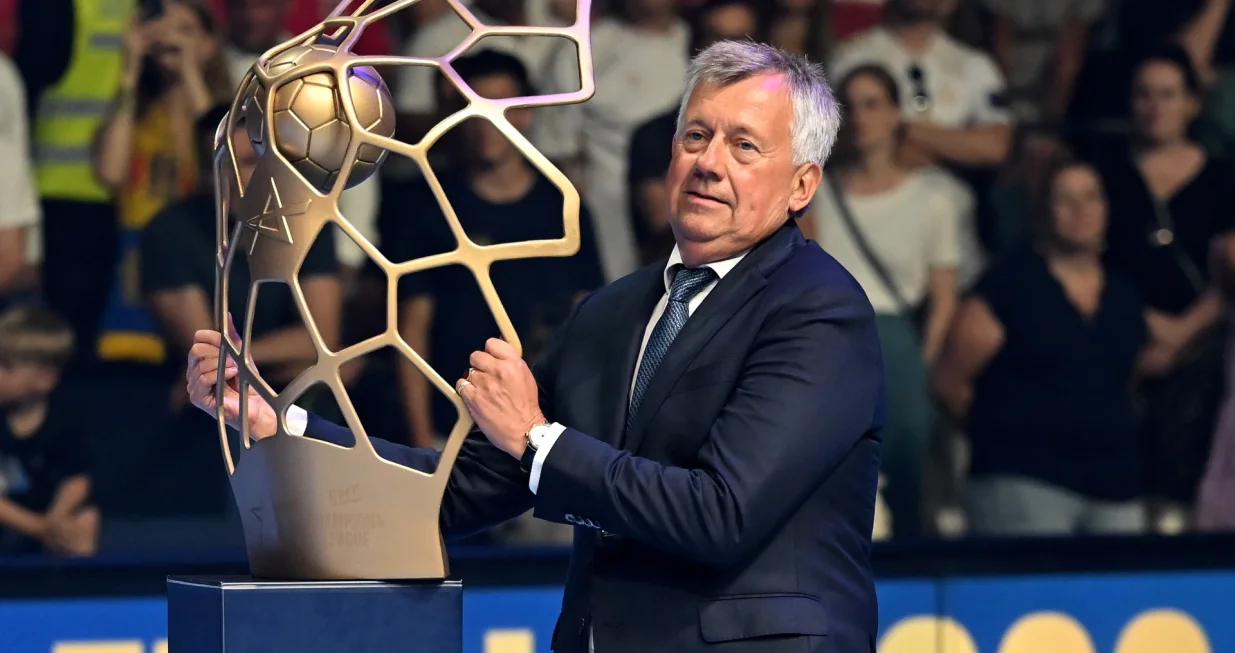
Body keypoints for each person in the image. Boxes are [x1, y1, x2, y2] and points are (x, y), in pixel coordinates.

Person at [187, 40, 883, 652]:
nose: (707, 163)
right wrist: (284, 424)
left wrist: (536, 437)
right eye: (695, 135)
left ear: (801, 184)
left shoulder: (818, 311)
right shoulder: (614, 310)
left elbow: (719, 514)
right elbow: (459, 489)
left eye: (743, 145)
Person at [379, 50, 604, 450]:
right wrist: (422, 443)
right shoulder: (429, 206)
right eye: (474, 109)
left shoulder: (562, 205)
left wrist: (581, 433)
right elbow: (410, 332)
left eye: (502, 107)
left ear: (526, 114)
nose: (488, 125)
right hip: (454, 432)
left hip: (544, 432)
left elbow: (586, 319)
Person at [934, 158, 1148, 536]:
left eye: (1091, 197)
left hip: (1115, 486)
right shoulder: (1008, 287)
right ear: (1044, 210)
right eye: (1065, 199)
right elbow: (950, 382)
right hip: (1024, 480)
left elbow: (1124, 381)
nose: (1080, 210)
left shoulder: (1124, 296)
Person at [809, 64, 968, 538]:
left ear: (896, 114)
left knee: (907, 465)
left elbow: (944, 294)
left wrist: (924, 361)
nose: (861, 118)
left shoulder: (933, 198)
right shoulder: (817, 194)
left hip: (898, 342)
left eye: (873, 104)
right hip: (833, 339)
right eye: (851, 106)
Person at [0, 305, 99, 556]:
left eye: (7, 367)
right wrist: (38, 527)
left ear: (45, 378)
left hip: (49, 518)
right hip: (14, 520)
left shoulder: (64, 418)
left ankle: (75, 589)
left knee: (87, 519)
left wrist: (56, 516)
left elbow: (78, 478)